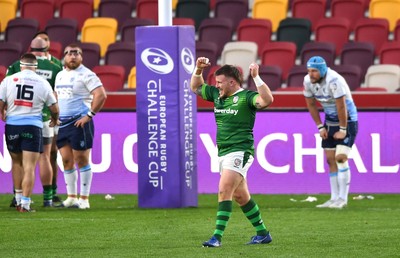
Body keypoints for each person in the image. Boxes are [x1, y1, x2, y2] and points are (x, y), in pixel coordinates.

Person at [190, 57, 274, 247]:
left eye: (220, 82)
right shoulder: (216, 95)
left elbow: (267, 99)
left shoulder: (247, 97)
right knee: (240, 196)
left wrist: (257, 78)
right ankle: (262, 233)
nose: (216, 85)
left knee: (224, 189)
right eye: (216, 82)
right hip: (223, 151)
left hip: (240, 150)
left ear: (232, 82)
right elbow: (195, 87)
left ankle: (216, 237)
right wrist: (198, 70)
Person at [7, 37, 63, 207]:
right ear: (48, 49)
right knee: (45, 157)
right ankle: (49, 197)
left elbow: (8, 90)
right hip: (43, 118)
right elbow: (56, 96)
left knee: (19, 161)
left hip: (16, 117)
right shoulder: (55, 66)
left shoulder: (16, 66)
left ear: (29, 48)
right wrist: (55, 117)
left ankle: (18, 197)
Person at [55, 44, 107, 209]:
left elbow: (101, 95)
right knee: (66, 160)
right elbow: (57, 96)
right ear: (64, 56)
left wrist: (89, 115)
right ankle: (71, 197)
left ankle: (84, 199)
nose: (72, 56)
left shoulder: (87, 74)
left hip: (79, 122)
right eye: (69, 53)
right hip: (63, 123)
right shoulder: (60, 75)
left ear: (81, 57)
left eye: (76, 53)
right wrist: (55, 116)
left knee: (81, 159)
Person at [303, 56, 358, 209]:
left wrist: (343, 129)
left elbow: (342, 107)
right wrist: (320, 127)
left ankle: (343, 199)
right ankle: (334, 198)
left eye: (314, 71)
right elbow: (311, 104)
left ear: (321, 70)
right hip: (329, 122)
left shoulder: (334, 80)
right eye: (308, 70)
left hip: (348, 120)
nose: (310, 74)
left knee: (340, 158)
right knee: (330, 160)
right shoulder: (308, 81)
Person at [33, 31, 64, 203]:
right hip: (40, 115)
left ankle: (53, 190)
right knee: (43, 154)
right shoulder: (27, 63)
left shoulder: (57, 65)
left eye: (45, 39)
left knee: (52, 154)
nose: (42, 42)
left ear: (48, 43)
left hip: (51, 115)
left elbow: (59, 91)